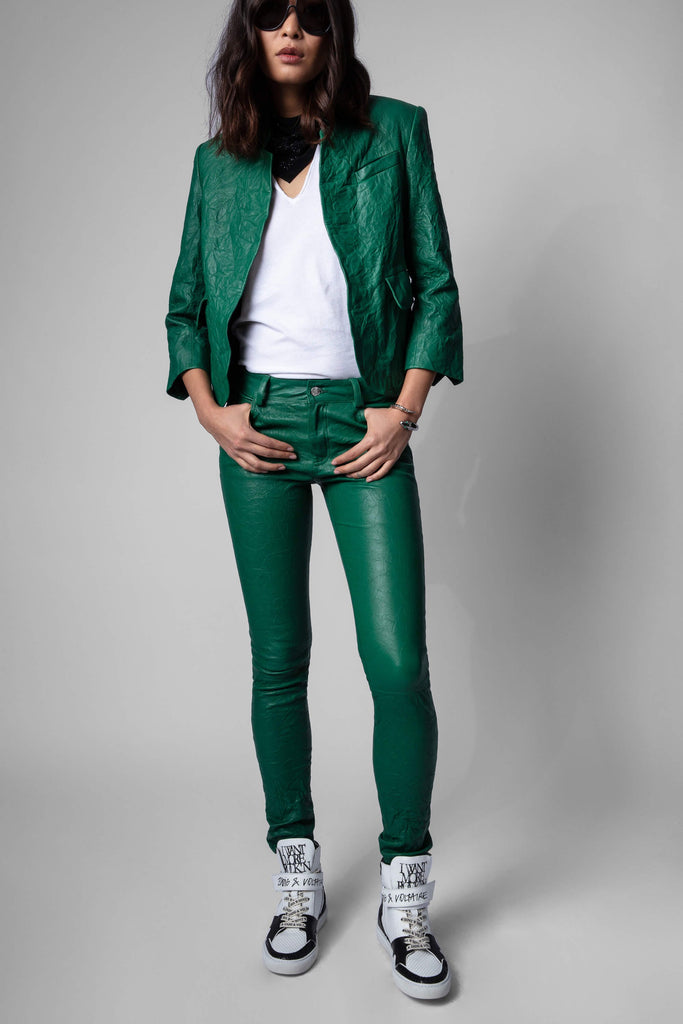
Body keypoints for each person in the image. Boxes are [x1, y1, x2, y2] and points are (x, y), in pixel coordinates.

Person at [165, 0, 463, 1001]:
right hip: (259, 428)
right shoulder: (219, 164)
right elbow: (184, 306)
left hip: (363, 424)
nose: (289, 28)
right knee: (278, 662)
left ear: (333, 31)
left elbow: (434, 284)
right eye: (269, 13)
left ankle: (405, 889)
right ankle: (296, 874)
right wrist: (212, 412)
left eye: (308, 14)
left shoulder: (395, 133)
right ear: (248, 35)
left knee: (397, 664)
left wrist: (403, 410)